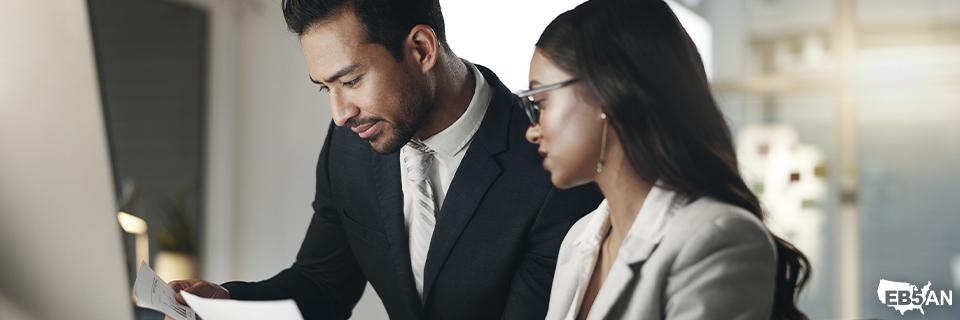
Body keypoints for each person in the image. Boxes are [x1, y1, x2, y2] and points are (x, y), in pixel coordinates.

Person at [168, 0, 602, 319]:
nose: (339, 114)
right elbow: (322, 285)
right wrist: (224, 303)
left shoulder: (553, 167)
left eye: (352, 80)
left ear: (421, 49)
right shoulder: (350, 146)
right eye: (326, 88)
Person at [519, 0, 811, 319]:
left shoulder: (716, 237)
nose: (532, 131)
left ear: (606, 92)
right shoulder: (579, 240)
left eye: (540, 102)